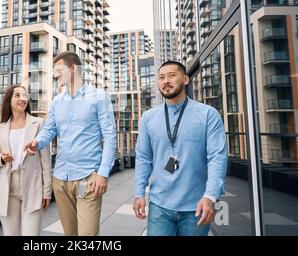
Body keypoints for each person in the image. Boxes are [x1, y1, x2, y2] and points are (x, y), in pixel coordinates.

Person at [25, 51, 117, 236]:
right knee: (70, 234)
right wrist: (37, 141)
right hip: (60, 178)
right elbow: (50, 129)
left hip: (88, 177)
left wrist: (103, 174)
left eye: (58, 70)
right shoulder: (57, 101)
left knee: (87, 235)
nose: (55, 74)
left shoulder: (99, 97)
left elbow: (110, 136)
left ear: (73, 68)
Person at [133, 60, 228, 236]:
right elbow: (143, 158)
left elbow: (217, 157)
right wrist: (139, 193)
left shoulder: (208, 114)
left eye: (171, 75)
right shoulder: (148, 118)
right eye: (161, 77)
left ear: (185, 79)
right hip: (159, 205)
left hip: (196, 205)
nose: (165, 81)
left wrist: (210, 196)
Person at [0, 85, 52, 236]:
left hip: (32, 187)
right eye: (17, 95)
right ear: (9, 100)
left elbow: (46, 161)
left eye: (25, 96)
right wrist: (2, 159)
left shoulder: (38, 123)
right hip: (8, 188)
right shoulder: (0, 128)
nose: (22, 98)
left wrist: (47, 192)